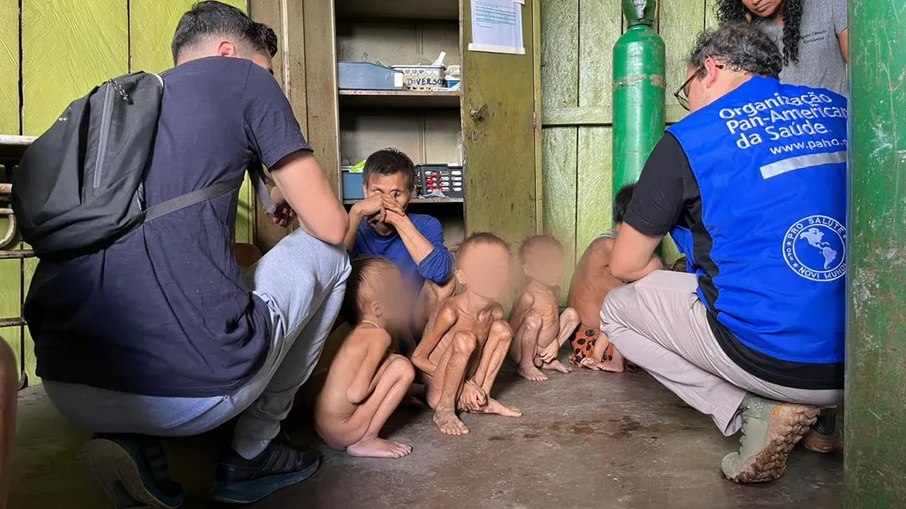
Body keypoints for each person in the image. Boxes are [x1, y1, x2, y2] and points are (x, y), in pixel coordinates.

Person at [23, 2, 350, 506]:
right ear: (229, 54)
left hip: (67, 385)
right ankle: (253, 452)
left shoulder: (119, 104)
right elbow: (330, 225)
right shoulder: (244, 81)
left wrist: (271, 188)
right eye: (263, 68)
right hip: (192, 395)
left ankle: (135, 442)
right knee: (333, 255)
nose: (266, 81)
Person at [601, 23, 846, 483]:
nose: (688, 101)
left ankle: (753, 409)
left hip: (775, 363)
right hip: (868, 362)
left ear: (709, 70)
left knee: (617, 309)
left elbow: (624, 264)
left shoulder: (691, 137)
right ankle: (827, 420)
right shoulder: (840, 109)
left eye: (685, 89)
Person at [411, 233, 522, 436]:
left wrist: (473, 386)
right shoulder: (450, 311)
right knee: (465, 338)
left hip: (468, 384)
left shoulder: (495, 311)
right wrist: (463, 385)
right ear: (462, 276)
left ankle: (483, 398)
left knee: (503, 329)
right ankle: (445, 411)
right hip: (440, 389)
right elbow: (418, 358)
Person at [344, 149, 456, 348]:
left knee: (446, 283)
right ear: (364, 190)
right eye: (377, 193)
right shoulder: (351, 227)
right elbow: (333, 277)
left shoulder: (426, 225)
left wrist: (398, 219)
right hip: (367, 322)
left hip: (413, 322)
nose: (385, 202)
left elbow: (440, 273)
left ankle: (421, 354)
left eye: (396, 194)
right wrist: (356, 212)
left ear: (410, 194)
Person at [315, 257, 415, 459]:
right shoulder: (379, 336)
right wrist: (384, 377)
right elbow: (356, 394)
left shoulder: (362, 331)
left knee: (393, 362)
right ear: (379, 308)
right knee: (402, 367)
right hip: (343, 431)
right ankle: (366, 440)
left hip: (324, 427)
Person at [567, 184, 661, 373]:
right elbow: (658, 268)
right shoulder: (609, 245)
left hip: (602, 336)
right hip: (591, 342)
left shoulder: (610, 241)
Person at [716, 0, 848, 95]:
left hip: (837, 124)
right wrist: (742, 32)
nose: (755, 1)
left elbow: (862, 67)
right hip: (781, 129)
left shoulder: (829, 4)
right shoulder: (745, 31)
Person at [508, 235, 579, 381]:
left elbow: (552, 319)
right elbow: (512, 330)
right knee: (533, 318)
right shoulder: (529, 295)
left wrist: (555, 342)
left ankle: (547, 358)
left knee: (572, 314)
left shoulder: (555, 290)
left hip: (545, 346)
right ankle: (526, 365)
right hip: (523, 348)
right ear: (528, 269)